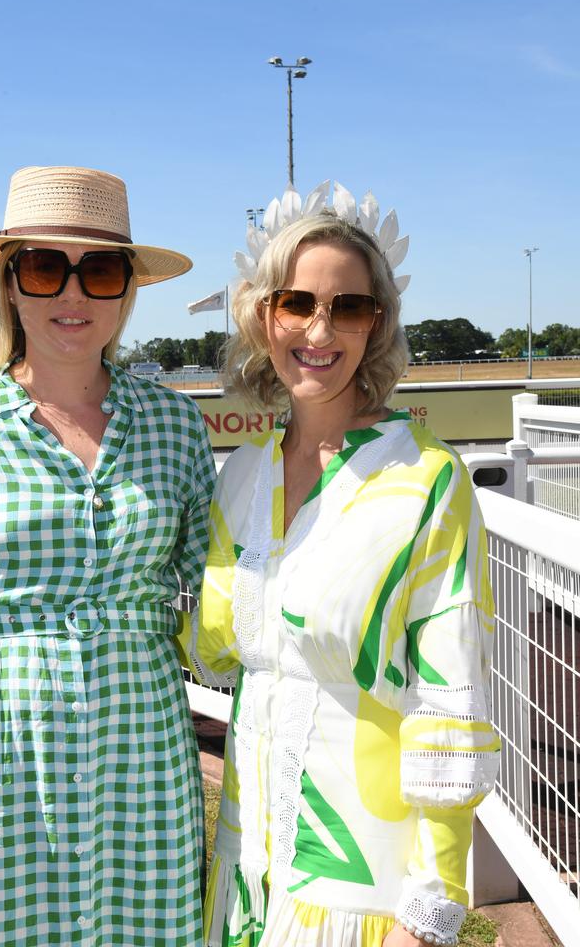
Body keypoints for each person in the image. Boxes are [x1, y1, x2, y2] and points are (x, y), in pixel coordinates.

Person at [0, 166, 216, 947]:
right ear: (10, 284)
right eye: (43, 267)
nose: (71, 296)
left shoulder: (173, 428)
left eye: (98, 270)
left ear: (126, 289)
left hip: (146, 772)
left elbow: (225, 603)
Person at [188, 181, 500, 947]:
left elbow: (449, 707)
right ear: (264, 316)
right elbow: (213, 651)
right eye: (297, 302)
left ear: (378, 324)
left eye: (348, 307)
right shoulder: (241, 475)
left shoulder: (427, 481)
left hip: (364, 895)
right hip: (243, 880)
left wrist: (429, 912)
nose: (319, 329)